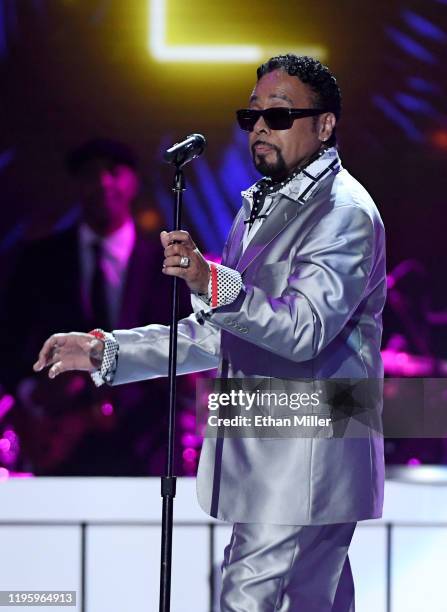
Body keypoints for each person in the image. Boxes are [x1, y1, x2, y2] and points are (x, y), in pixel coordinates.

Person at [34, 55, 386, 611]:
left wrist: (210, 280)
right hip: (274, 459)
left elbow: (303, 330)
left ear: (325, 125)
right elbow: (218, 332)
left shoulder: (342, 212)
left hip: (306, 460)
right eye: (252, 118)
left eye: (280, 115)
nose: (262, 128)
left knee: (247, 601)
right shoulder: (261, 208)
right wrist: (108, 351)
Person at [1, 138, 189, 475]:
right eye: (90, 174)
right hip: (59, 445)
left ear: (133, 181)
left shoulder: (170, 266)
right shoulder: (38, 261)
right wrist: (35, 396)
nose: (103, 183)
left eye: (113, 172)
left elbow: (188, 347)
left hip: (149, 445)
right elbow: (9, 341)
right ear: (76, 184)